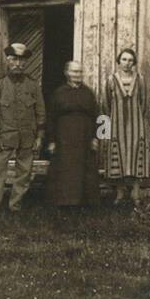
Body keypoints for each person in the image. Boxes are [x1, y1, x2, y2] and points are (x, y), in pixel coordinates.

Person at [0, 43, 45, 214]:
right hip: (4, 136)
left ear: (26, 62)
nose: (18, 64)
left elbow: (40, 111)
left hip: (27, 136)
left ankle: (15, 204)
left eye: (22, 60)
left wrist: (39, 136)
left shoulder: (33, 85)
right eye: (14, 60)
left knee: (24, 172)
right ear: (8, 61)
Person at [46, 60, 101, 208]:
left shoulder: (88, 93)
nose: (78, 75)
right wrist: (51, 141)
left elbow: (98, 116)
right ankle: (64, 202)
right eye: (74, 71)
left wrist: (97, 138)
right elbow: (51, 118)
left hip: (85, 137)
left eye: (80, 72)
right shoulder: (59, 93)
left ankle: (85, 203)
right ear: (67, 73)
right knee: (66, 169)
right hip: (64, 138)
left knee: (86, 169)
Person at [104, 47, 150, 206]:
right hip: (116, 124)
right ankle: (120, 191)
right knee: (119, 153)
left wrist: (137, 118)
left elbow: (144, 103)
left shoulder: (140, 79)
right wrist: (108, 125)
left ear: (134, 63)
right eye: (124, 59)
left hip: (135, 124)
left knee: (135, 153)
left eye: (130, 60)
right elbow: (106, 104)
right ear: (119, 61)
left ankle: (136, 192)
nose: (127, 63)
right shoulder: (111, 80)